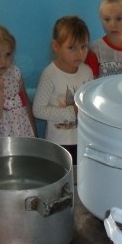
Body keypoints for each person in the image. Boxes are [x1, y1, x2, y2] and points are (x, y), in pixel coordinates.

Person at [33, 16, 94, 164]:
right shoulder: (50, 74)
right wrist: (71, 112)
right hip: (58, 143)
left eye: (83, 47)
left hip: (83, 140)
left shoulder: (87, 71)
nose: (79, 53)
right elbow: (38, 110)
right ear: (56, 46)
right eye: (72, 48)